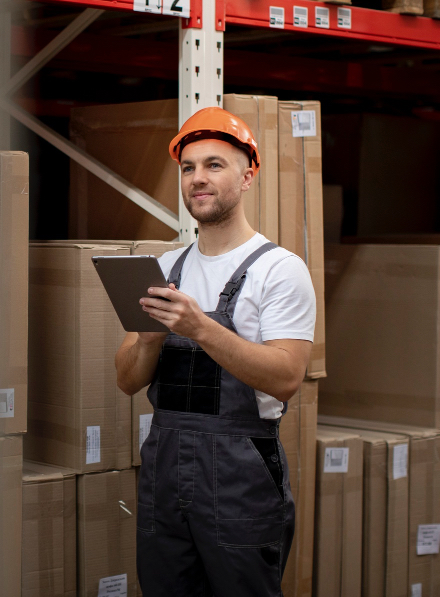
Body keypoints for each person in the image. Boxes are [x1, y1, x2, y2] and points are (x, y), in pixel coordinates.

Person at [114, 107, 317, 596]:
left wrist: (200, 327)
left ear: (248, 176)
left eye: (214, 165)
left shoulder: (280, 270)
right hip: (165, 472)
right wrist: (148, 338)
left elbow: (287, 376)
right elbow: (126, 379)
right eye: (188, 168)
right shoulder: (162, 267)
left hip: (239, 472)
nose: (197, 179)